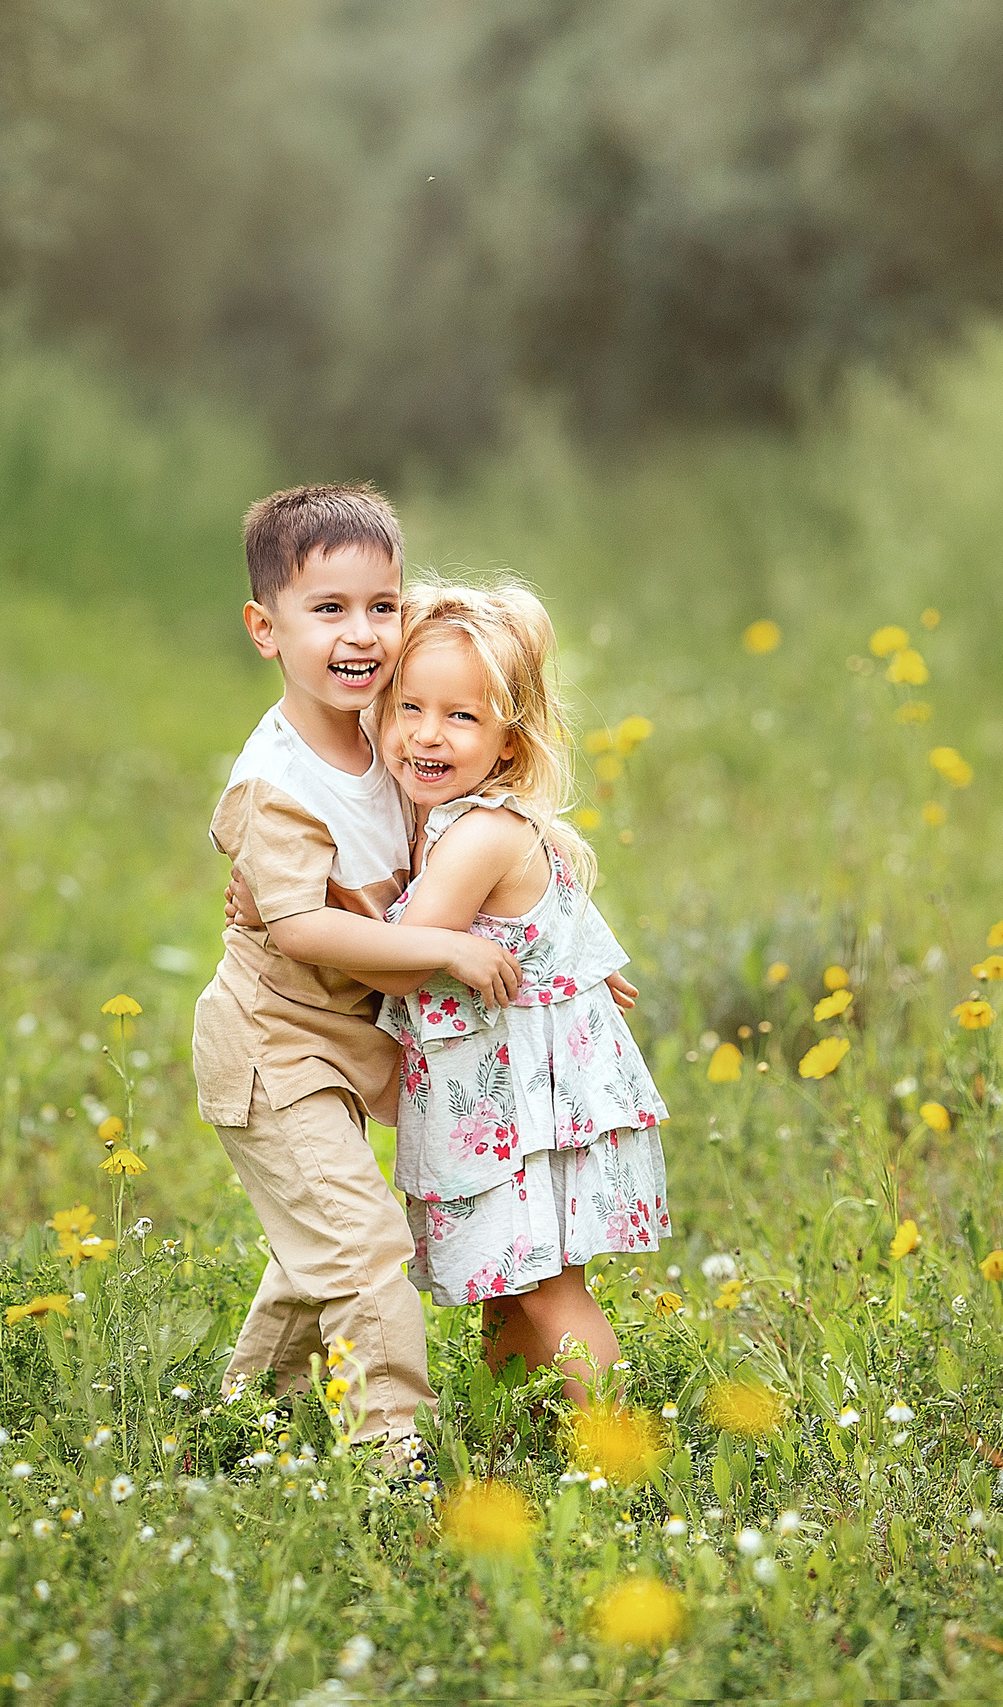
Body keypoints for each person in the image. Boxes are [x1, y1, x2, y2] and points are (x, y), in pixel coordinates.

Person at [192, 485, 523, 1459]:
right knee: (363, 1245)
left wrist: (560, 950)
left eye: (382, 605)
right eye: (327, 609)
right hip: (273, 1046)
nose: (361, 632)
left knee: (315, 1253)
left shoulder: (397, 730)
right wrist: (445, 950)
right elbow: (298, 928)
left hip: (351, 1040)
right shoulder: (276, 784)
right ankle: (392, 1457)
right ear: (266, 628)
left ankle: (248, 1418)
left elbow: (478, 831)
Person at [368, 579, 670, 1404]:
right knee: (507, 1283)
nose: (427, 734)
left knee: (546, 1287)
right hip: (509, 1100)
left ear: (508, 741)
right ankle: (516, 1437)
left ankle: (612, 1448)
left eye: (461, 716)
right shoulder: (463, 821)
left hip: (519, 1109)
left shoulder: (477, 835)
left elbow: (395, 961)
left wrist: (294, 918)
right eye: (409, 707)